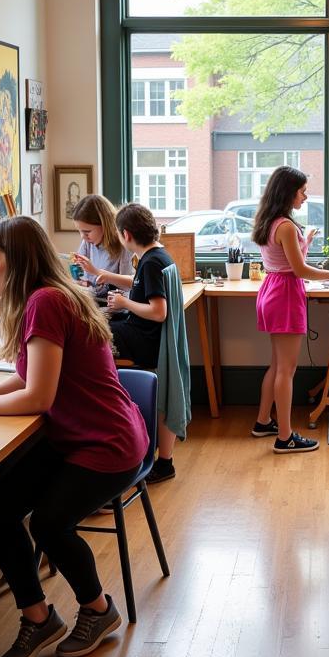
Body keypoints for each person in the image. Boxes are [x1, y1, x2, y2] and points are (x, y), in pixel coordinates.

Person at [0, 216, 147, 657]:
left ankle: (96, 609)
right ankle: (37, 616)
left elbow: (38, 397)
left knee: (50, 523)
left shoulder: (46, 302)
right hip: (78, 435)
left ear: (19, 261)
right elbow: (29, 375)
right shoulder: (44, 297)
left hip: (106, 443)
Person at [251, 166, 329, 454]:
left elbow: (285, 260)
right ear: (288, 192)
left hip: (272, 290)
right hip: (284, 294)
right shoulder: (285, 226)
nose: (305, 196)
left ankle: (263, 421)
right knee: (287, 369)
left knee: (277, 364)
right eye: (302, 191)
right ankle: (285, 437)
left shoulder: (271, 222)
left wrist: (304, 242)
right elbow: (299, 270)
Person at [106, 202, 179, 483]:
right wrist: (124, 302)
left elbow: (158, 312)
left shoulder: (150, 263)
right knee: (103, 323)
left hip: (145, 343)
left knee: (89, 332)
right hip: (144, 335)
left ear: (126, 235)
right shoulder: (159, 256)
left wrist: (124, 302)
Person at [71, 194, 135, 304]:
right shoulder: (87, 243)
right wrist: (80, 282)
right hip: (92, 301)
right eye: (79, 231)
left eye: (87, 232)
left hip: (115, 307)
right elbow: (83, 280)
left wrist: (96, 273)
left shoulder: (124, 245)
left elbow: (128, 286)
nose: (83, 236)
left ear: (105, 224)